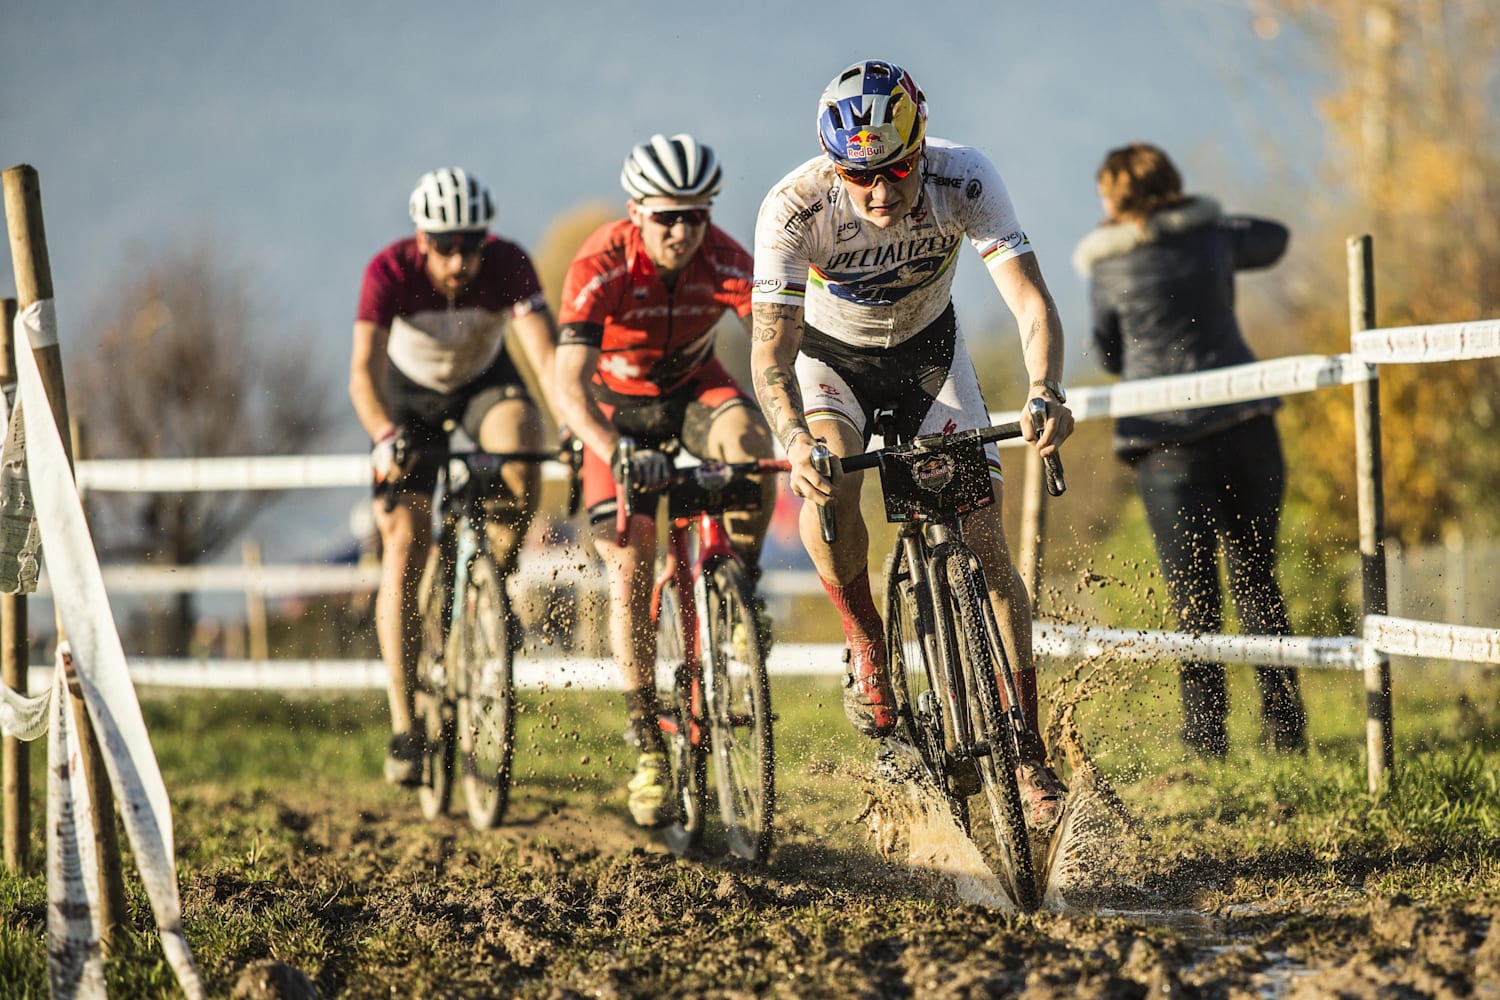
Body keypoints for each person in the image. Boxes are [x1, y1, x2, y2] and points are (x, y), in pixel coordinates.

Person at [751, 59, 1073, 828]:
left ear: (922, 146)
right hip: (834, 364)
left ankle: (1026, 746)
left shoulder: (965, 180)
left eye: (898, 169)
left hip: (931, 353)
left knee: (986, 538)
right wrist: (795, 440)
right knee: (826, 483)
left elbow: (1030, 301)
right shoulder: (794, 209)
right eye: (860, 177)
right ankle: (866, 642)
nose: (882, 192)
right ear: (834, 167)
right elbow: (772, 353)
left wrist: (1045, 391)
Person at [554, 133, 777, 828]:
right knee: (629, 560)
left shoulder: (726, 259)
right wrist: (610, 448)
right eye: (667, 218)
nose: (683, 231)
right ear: (636, 213)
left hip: (691, 393)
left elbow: (776, 345)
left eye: (696, 215)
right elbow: (565, 385)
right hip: (613, 413)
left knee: (751, 444)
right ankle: (648, 742)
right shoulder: (600, 262)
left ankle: (741, 582)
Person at [1073, 141, 1307, 757]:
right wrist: (1207, 217)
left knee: (1192, 595)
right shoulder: (1213, 237)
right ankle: (1287, 734)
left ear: (1117, 197)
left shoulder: (1106, 264)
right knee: (1259, 579)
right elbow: (1274, 238)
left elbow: (1108, 353)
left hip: (1163, 440)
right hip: (1245, 421)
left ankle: (1207, 744)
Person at [351, 167, 558, 785]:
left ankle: (491, 585)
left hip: (482, 385)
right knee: (406, 542)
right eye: (444, 246)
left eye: (471, 244)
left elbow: (546, 361)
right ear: (421, 240)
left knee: (524, 445)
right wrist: (385, 438)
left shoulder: (509, 264)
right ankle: (404, 726)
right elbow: (361, 371)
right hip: (407, 402)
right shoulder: (388, 272)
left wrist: (571, 430)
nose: (459, 260)